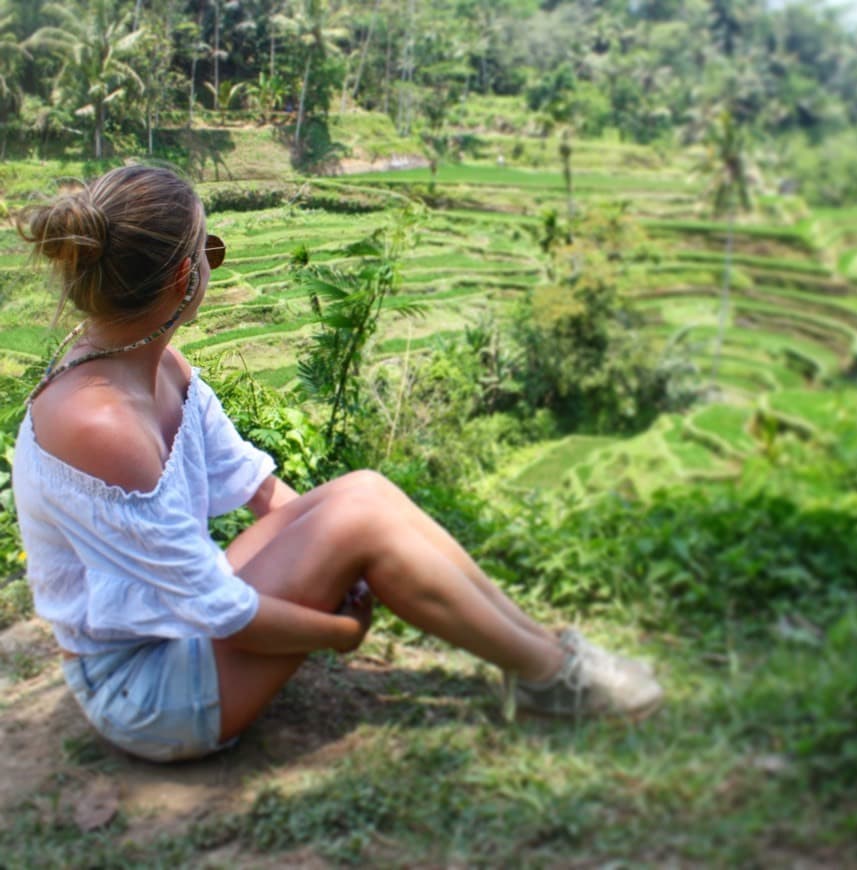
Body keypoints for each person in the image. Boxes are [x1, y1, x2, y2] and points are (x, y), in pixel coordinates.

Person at [12, 165, 662, 763]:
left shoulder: (160, 367)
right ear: (186, 280)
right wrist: (337, 630)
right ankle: (554, 678)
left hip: (177, 621)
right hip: (147, 694)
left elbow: (258, 488)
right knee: (358, 521)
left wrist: (344, 557)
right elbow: (218, 610)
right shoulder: (102, 424)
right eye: (209, 251)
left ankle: (545, 656)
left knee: (365, 493)